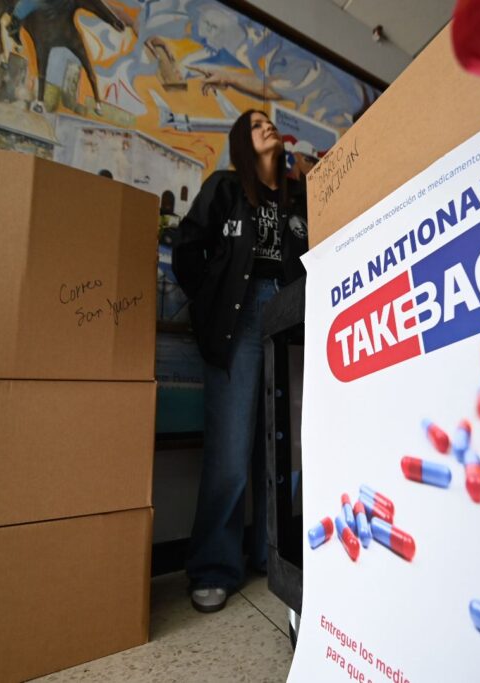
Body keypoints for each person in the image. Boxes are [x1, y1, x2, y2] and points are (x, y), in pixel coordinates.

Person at [173, 109, 308, 613]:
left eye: (269, 121)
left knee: (280, 449)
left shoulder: (298, 200)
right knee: (230, 453)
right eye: (254, 124)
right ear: (241, 142)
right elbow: (187, 250)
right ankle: (214, 567)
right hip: (240, 318)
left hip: (290, 316)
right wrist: (211, 302)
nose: (266, 126)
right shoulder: (225, 188)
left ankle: (273, 556)